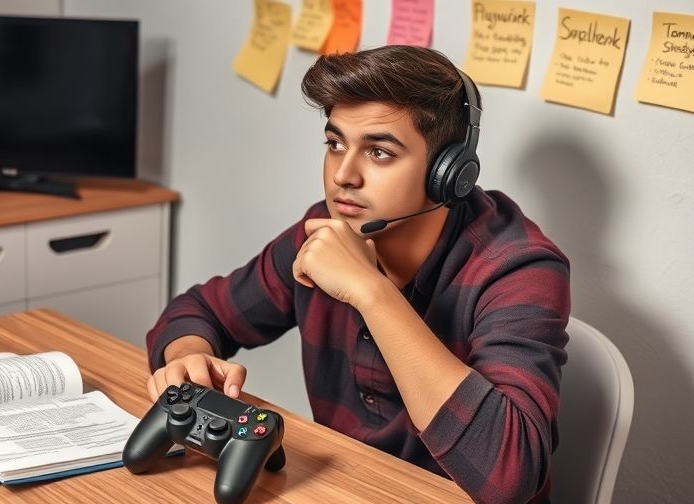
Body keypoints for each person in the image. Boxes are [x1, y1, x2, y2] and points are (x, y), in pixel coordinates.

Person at [144, 45, 569, 504]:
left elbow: (509, 476)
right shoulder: (322, 235)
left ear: (449, 174)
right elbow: (201, 309)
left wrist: (371, 291)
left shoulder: (520, 269)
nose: (343, 175)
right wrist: (188, 356)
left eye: (380, 152)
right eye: (334, 144)